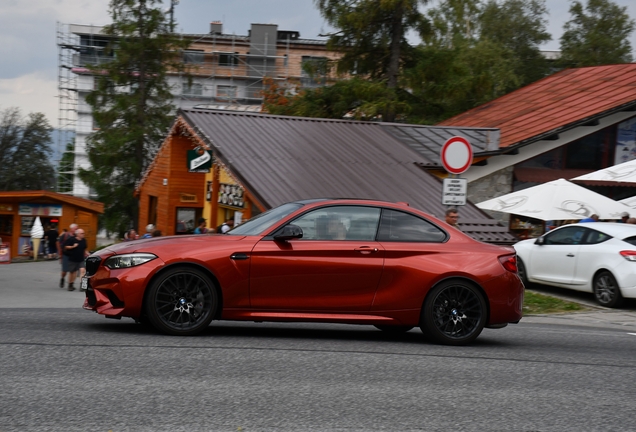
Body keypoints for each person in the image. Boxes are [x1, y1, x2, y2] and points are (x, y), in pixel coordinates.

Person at [58, 223, 77, 288]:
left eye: (77, 229)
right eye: (75, 229)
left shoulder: (76, 236)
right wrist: (60, 250)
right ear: (71, 229)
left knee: (73, 271)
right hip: (66, 255)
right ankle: (62, 278)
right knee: (65, 271)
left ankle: (71, 284)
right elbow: (58, 242)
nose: (76, 230)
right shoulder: (65, 235)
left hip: (73, 255)